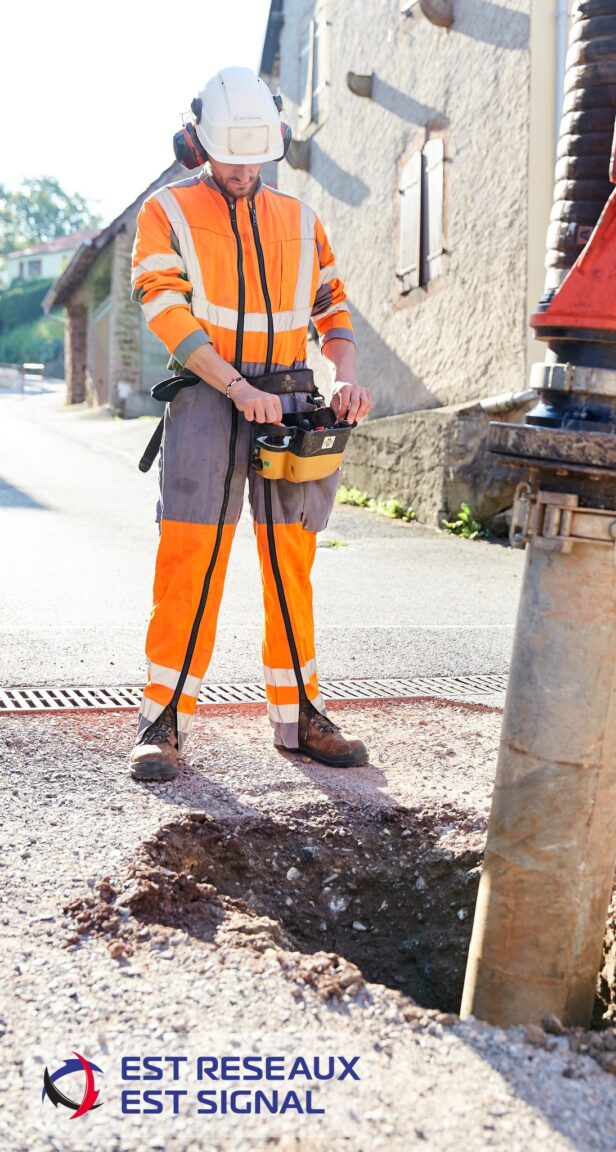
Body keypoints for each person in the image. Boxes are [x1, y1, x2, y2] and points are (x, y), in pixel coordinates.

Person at [128, 66, 372, 783]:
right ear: (197, 143)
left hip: (291, 402)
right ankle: (162, 718)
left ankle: (300, 717)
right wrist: (233, 383)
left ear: (276, 143)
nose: (241, 169)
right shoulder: (165, 212)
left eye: (254, 155)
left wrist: (345, 376)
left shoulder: (301, 219)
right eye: (228, 155)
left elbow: (332, 308)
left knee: (290, 560)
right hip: (209, 396)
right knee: (190, 559)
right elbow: (163, 305)